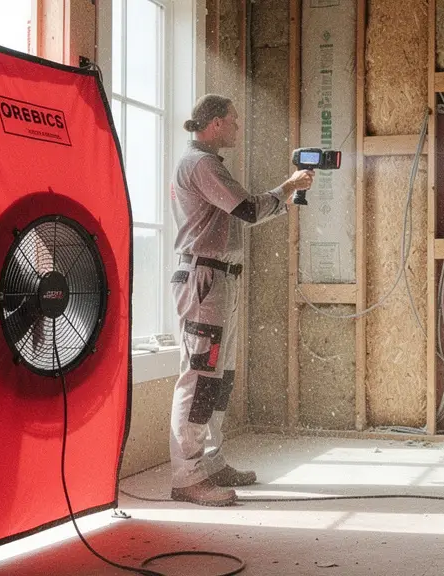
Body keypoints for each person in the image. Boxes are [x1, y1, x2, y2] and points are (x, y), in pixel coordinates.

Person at [168, 94, 314, 506]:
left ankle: (210, 463)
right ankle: (187, 476)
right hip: (205, 279)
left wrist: (286, 195)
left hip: (217, 277)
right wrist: (289, 187)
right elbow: (248, 209)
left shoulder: (203, 164)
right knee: (199, 378)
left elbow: (241, 213)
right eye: (232, 121)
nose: (236, 127)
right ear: (214, 123)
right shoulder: (201, 164)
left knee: (219, 377)